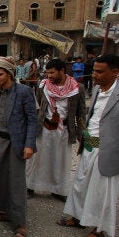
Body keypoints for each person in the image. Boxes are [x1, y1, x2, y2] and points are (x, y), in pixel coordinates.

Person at [59, 54, 119, 237]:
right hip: (89, 147)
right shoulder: (99, 90)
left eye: (100, 71)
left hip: (108, 151)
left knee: (102, 192)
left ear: (115, 72)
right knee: (81, 184)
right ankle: (77, 217)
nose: (94, 75)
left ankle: (99, 230)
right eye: (94, 70)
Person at [0, 56, 38, 237]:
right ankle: (5, 212)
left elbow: (32, 119)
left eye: (0, 74)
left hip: (16, 143)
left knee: (16, 182)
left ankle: (20, 224)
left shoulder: (24, 92)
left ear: (10, 74)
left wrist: (29, 144)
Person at [26, 59, 86, 202]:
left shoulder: (77, 88)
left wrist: (81, 135)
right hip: (44, 128)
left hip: (64, 130)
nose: (49, 76)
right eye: (47, 72)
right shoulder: (43, 86)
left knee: (60, 161)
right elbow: (37, 108)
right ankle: (30, 186)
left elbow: (81, 113)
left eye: (52, 72)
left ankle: (58, 190)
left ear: (62, 71)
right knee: (36, 159)